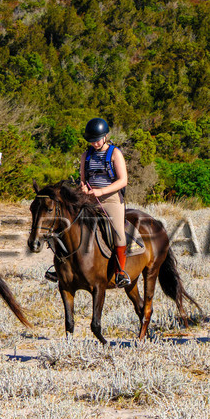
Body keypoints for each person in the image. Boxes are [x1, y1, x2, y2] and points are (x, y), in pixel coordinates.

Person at [80, 118, 131, 290]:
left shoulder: (115, 153)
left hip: (111, 199)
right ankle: (61, 266)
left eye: (97, 140)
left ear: (106, 137)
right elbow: (82, 180)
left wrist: (101, 192)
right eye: (91, 141)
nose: (94, 143)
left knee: (118, 233)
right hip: (89, 199)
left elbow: (123, 180)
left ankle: (121, 272)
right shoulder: (85, 156)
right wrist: (84, 189)